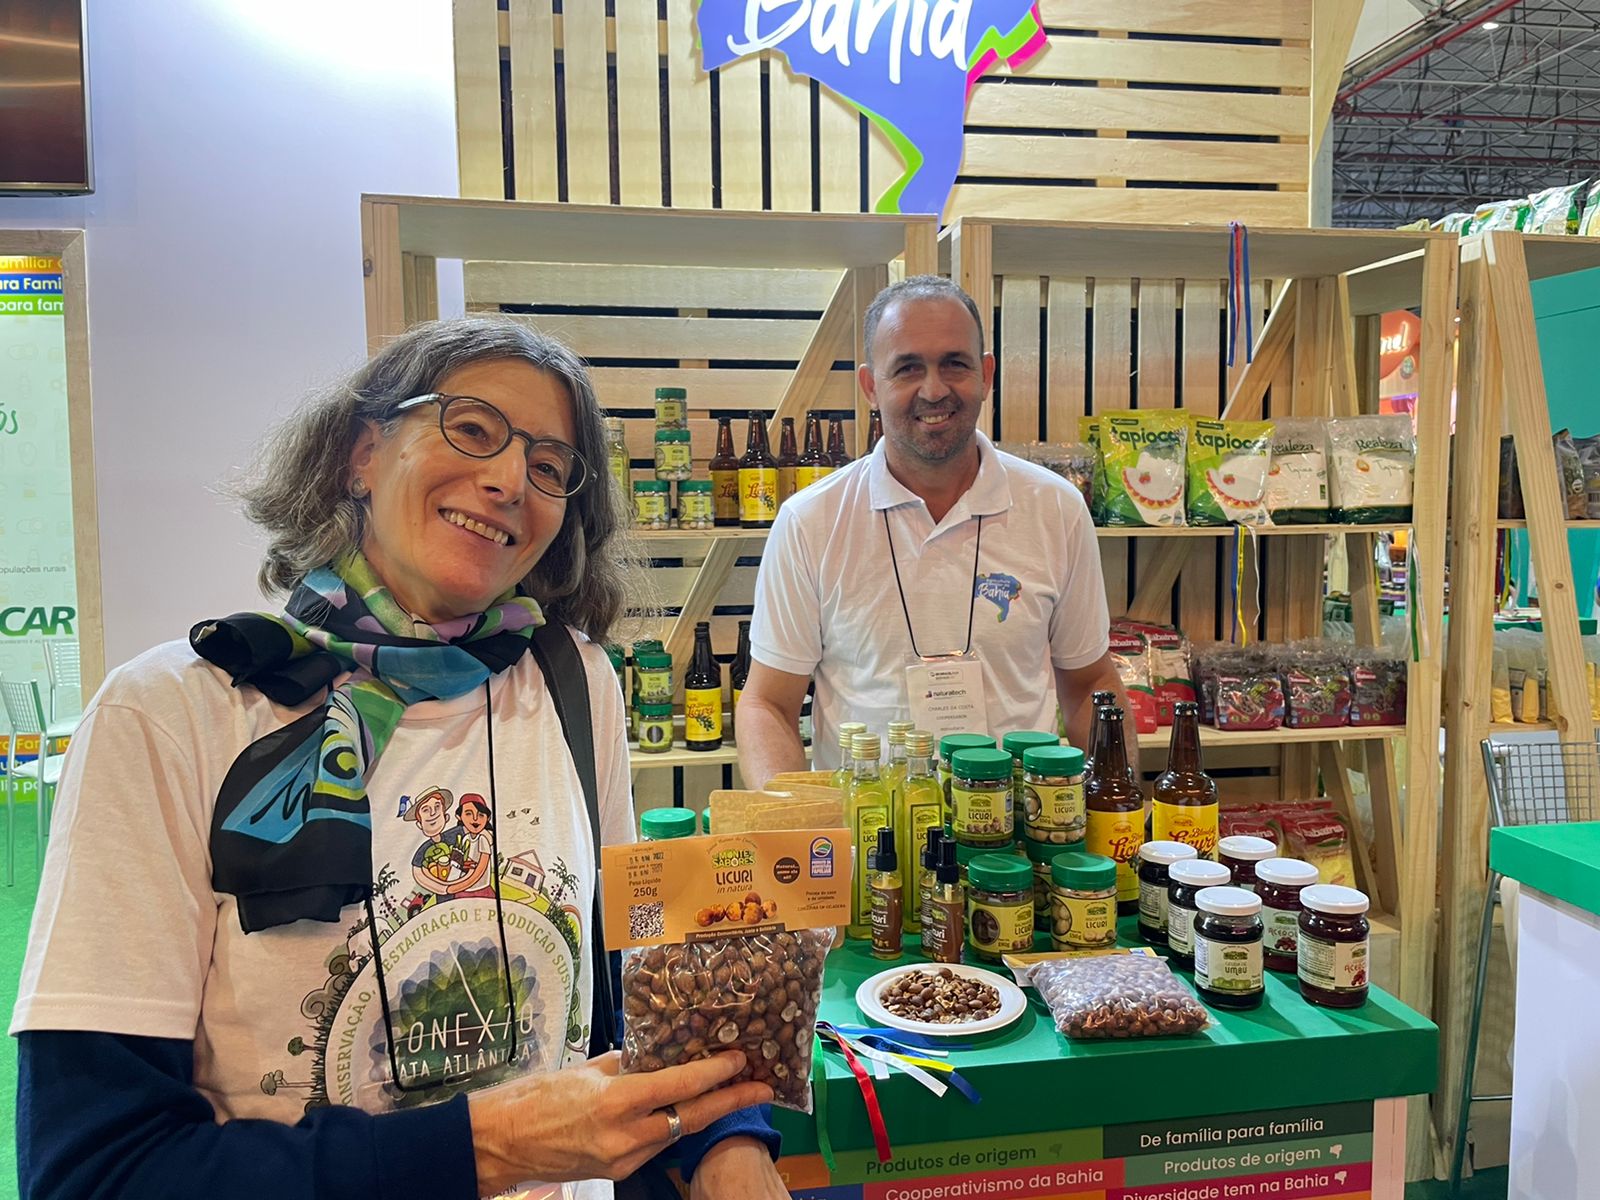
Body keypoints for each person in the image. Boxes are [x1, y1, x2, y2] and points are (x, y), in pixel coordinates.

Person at [13, 318, 789, 1200]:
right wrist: (488, 1150)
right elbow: (94, 1171)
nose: (509, 481)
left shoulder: (574, 682)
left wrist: (724, 1139)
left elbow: (627, 978)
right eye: (472, 427)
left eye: (548, 467)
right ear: (362, 453)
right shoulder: (171, 716)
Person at [738, 276, 1125, 785]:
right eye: (908, 368)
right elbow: (767, 704)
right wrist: (792, 824)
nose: (934, 389)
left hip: (1023, 826)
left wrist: (1115, 809)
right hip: (867, 826)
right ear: (871, 387)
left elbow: (1091, 683)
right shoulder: (810, 522)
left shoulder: (1057, 509)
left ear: (986, 375)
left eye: (954, 364)